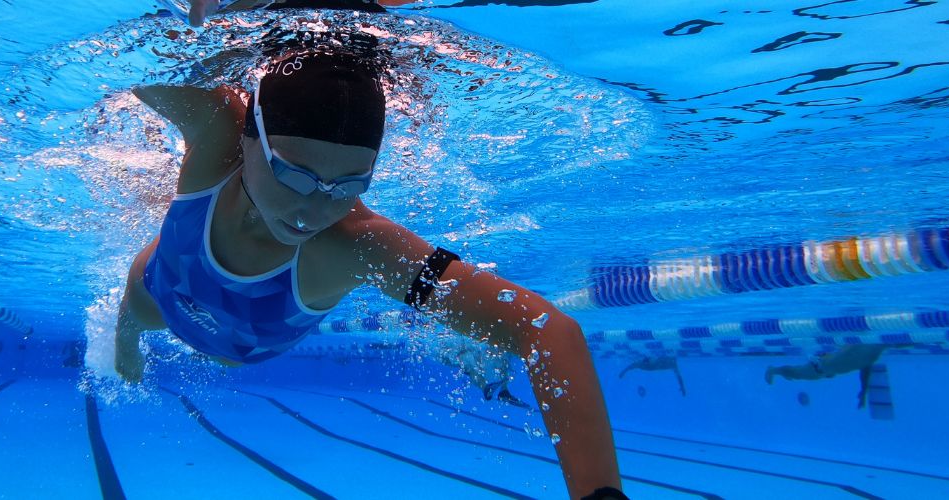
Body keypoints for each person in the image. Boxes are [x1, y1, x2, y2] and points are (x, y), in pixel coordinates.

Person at [112, 1, 624, 498]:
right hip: (155, 293)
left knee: (228, 359)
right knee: (133, 332)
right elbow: (127, 48)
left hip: (244, 345)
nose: (314, 209)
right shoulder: (217, 128)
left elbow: (545, 330)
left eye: (348, 186)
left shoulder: (358, 245)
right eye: (295, 175)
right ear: (250, 138)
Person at [763, 343, 896, 409]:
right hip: (821, 365)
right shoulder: (861, 345)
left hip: (828, 370)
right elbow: (843, 348)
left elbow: (865, 371)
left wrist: (863, 391)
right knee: (798, 373)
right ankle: (773, 370)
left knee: (799, 373)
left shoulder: (873, 355)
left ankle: (775, 370)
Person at [428, 333, 531, 408]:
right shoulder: (451, 346)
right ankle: (498, 389)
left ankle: (499, 390)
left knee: (500, 352)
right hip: (461, 351)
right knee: (474, 360)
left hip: (464, 349)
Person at [618, 355, 686, 396]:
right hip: (653, 365)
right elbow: (678, 375)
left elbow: (632, 366)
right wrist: (623, 372)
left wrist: (623, 372)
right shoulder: (670, 363)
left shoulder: (670, 363)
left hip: (653, 365)